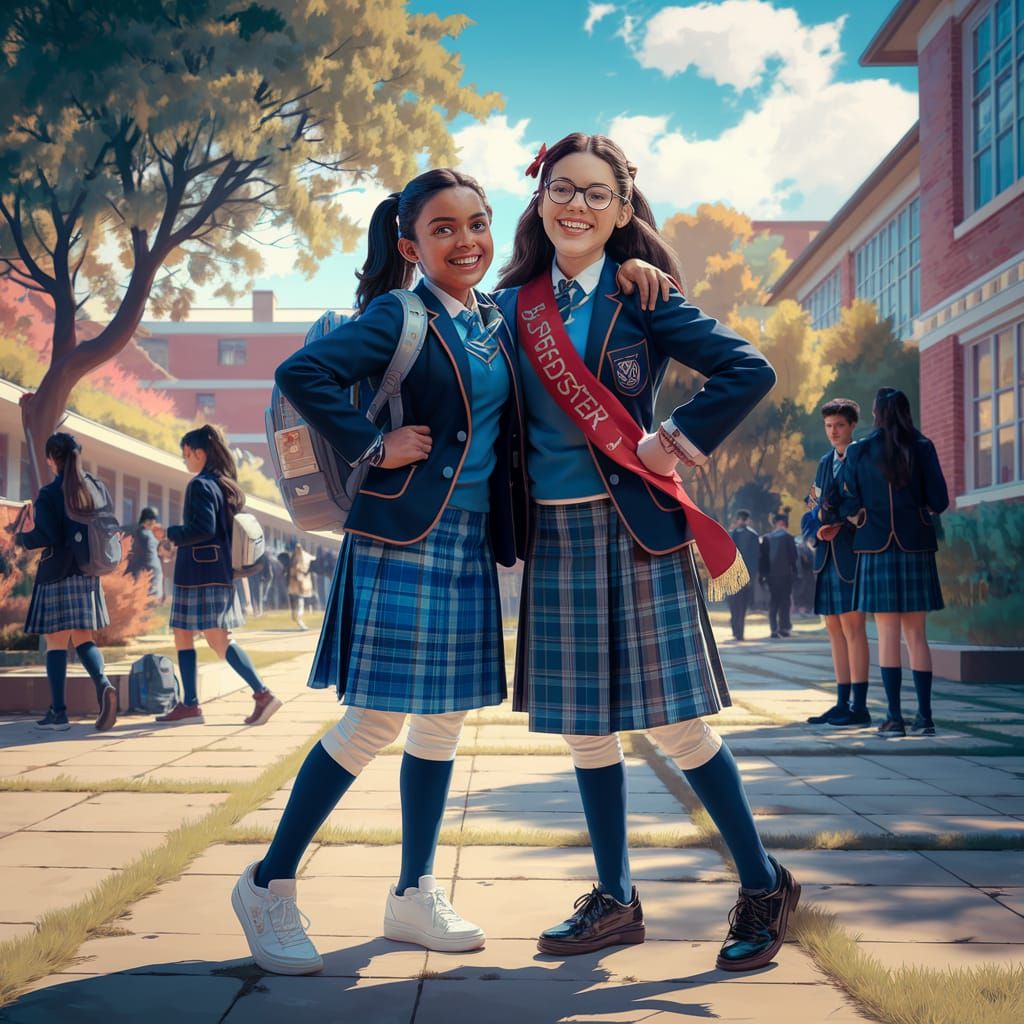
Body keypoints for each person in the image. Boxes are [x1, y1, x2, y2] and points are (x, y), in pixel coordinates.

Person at [494, 133, 798, 974]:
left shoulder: (644, 297)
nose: (577, 206)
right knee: (584, 730)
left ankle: (765, 884)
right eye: (563, 189)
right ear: (540, 200)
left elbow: (748, 368)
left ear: (623, 210)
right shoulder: (508, 305)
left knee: (679, 725)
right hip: (553, 537)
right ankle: (616, 898)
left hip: (637, 531)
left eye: (597, 193)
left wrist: (678, 439)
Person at [837, 387, 948, 738]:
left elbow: (845, 500)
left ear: (876, 414)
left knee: (886, 634)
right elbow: (940, 501)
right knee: (917, 634)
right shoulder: (923, 447)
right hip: (916, 546)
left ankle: (894, 718)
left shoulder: (860, 450)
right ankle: (926, 718)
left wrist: (859, 516)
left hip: (875, 547)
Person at [156, 424, 282, 728]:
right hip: (212, 571)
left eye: (187, 455)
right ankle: (190, 705)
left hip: (201, 574)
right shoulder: (225, 484)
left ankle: (262, 694)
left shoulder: (200, 485)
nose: (185, 461)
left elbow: (204, 529)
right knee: (183, 634)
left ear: (199, 453)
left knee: (217, 639)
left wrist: (170, 534)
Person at [15, 432, 117, 732]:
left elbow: (49, 536)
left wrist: (21, 537)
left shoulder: (50, 493)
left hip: (57, 573)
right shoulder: (93, 487)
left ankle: (58, 714)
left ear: (51, 459)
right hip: (88, 572)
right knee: (83, 638)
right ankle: (104, 684)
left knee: (55, 641)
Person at [802, 398, 870, 727]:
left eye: (839, 425)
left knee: (853, 627)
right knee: (833, 628)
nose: (833, 431)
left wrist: (840, 520)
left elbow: (864, 504)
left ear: (852, 425)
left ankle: (859, 707)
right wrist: (819, 526)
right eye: (829, 426)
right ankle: (842, 703)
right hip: (826, 554)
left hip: (851, 553)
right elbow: (813, 503)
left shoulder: (862, 457)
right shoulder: (824, 462)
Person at [759, 512, 798, 638]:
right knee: (785, 602)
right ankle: (784, 627)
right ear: (784, 524)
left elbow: (762, 559)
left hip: (771, 575)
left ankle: (773, 628)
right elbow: (793, 558)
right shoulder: (789, 538)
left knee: (773, 602)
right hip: (786, 575)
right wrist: (795, 573)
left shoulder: (767, 538)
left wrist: (763, 575)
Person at [727, 510, 761, 641]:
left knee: (735, 604)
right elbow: (755, 558)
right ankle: (738, 630)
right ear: (748, 520)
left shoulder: (731, 534)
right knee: (740, 604)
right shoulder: (753, 535)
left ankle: (737, 630)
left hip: (734, 576)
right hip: (742, 575)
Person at [125, 506, 162, 597]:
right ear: (147, 520)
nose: (154, 522)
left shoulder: (146, 532)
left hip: (150, 569)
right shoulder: (142, 533)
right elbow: (138, 554)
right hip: (148, 570)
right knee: (148, 597)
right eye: (152, 519)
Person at [286, 542, 313, 631]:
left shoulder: (296, 561)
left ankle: (299, 621)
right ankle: (299, 622)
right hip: (296, 587)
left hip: (296, 587)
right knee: (299, 605)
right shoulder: (296, 562)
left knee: (299, 605)